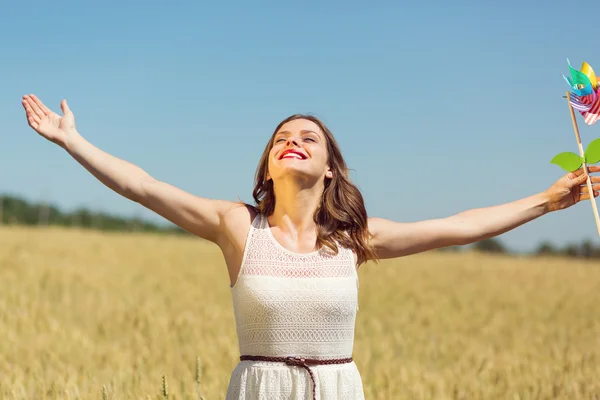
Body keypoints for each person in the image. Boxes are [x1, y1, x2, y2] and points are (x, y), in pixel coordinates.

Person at [21, 94, 600, 399]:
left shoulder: (354, 239)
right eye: (281, 139)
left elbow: (459, 224)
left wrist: (547, 201)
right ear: (268, 166)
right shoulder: (235, 226)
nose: (293, 142)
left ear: (329, 169)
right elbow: (144, 186)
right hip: (258, 391)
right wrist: (74, 141)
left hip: (338, 392)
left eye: (308, 139)